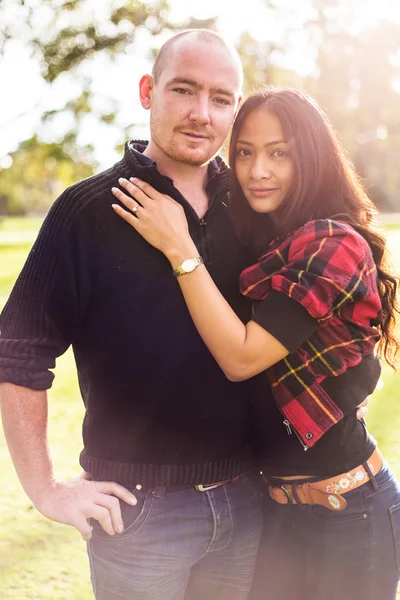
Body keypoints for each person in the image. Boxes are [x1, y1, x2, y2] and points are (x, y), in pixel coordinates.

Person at [0, 30, 264, 600]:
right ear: (148, 91)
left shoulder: (251, 208)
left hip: (247, 502)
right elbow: (17, 349)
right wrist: (45, 488)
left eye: (221, 98)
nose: (201, 113)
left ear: (236, 109)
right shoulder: (88, 211)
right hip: (140, 516)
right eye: (183, 90)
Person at [111, 86, 400, 600]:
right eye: (244, 152)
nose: (257, 171)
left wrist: (178, 245)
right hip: (275, 511)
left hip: (349, 514)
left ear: (309, 157)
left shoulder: (335, 244)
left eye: (278, 153)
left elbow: (243, 357)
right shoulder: (266, 240)